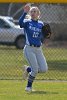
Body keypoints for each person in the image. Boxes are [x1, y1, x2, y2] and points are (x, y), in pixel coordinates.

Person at [19, 3, 48, 92]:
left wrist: (47, 35)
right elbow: (20, 23)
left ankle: (28, 69)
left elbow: (42, 36)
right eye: (31, 11)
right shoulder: (27, 22)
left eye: (35, 11)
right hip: (29, 49)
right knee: (35, 70)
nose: (33, 13)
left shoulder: (41, 24)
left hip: (38, 49)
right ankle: (28, 87)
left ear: (38, 14)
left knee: (43, 69)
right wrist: (24, 12)